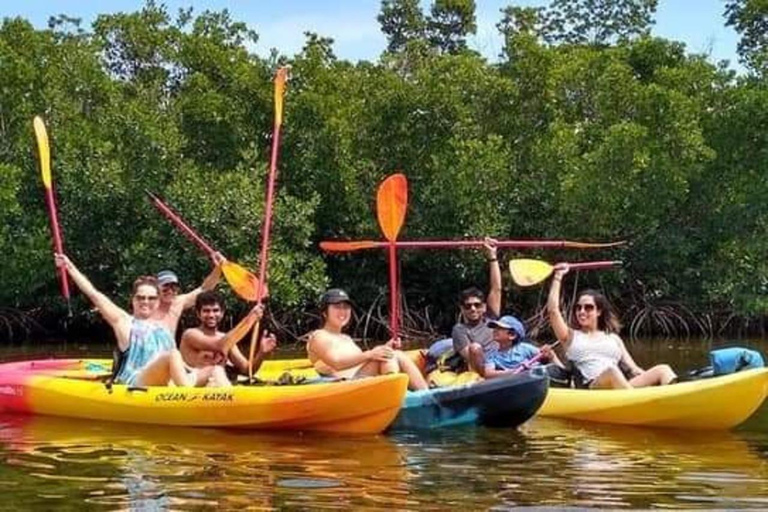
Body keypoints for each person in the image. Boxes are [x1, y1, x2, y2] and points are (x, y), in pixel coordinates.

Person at [55, 253, 196, 387]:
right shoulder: (124, 322)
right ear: (133, 300)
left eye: (151, 298)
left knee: (212, 370)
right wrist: (69, 267)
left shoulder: (164, 327)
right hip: (136, 381)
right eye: (140, 297)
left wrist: (193, 370)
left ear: (158, 301)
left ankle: (206, 397)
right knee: (173, 355)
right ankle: (191, 399)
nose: (145, 302)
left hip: (166, 382)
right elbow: (94, 295)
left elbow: (202, 290)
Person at [547, 263, 677, 389]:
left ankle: (672, 400)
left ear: (598, 312)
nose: (582, 311)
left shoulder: (614, 338)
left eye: (588, 308)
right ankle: (639, 403)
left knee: (663, 369)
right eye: (578, 307)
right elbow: (553, 310)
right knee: (612, 372)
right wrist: (558, 277)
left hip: (620, 386)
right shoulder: (569, 336)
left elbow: (634, 369)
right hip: (594, 387)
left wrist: (649, 381)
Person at [306, 288, 429, 390]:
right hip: (343, 387)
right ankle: (417, 395)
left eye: (346, 307)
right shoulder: (319, 336)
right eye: (337, 307)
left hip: (361, 380)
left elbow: (361, 362)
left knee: (390, 354)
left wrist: (385, 347)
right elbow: (337, 363)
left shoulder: (346, 338)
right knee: (391, 356)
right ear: (324, 312)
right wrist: (371, 354)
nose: (343, 311)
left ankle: (420, 393)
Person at [180, 291, 277, 386]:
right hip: (194, 384)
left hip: (217, 386)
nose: (211, 315)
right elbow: (220, 345)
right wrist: (250, 318)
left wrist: (262, 353)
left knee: (219, 372)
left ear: (222, 313)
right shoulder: (190, 334)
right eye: (206, 311)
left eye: (215, 310)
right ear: (198, 314)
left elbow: (247, 370)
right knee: (216, 370)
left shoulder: (226, 339)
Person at [451, 237, 502, 372]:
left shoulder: (492, 318)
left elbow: (496, 288)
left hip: (502, 362)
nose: (473, 309)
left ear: (484, 307)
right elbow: (471, 356)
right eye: (468, 306)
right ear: (462, 309)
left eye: (477, 305)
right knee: (475, 348)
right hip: (482, 368)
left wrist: (492, 256)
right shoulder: (460, 330)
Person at [153, 254, 224, 338]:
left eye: (173, 287)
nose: (170, 291)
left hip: (169, 349)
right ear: (156, 288)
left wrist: (219, 268)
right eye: (165, 287)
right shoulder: (148, 304)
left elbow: (204, 289)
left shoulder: (178, 302)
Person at [479, 315, 564, 379]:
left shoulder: (525, 348)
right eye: (495, 328)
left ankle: (565, 376)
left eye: (500, 328)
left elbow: (546, 356)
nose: (495, 330)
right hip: (513, 382)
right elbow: (488, 374)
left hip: (531, 380)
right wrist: (515, 371)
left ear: (512, 335)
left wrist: (551, 355)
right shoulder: (492, 355)